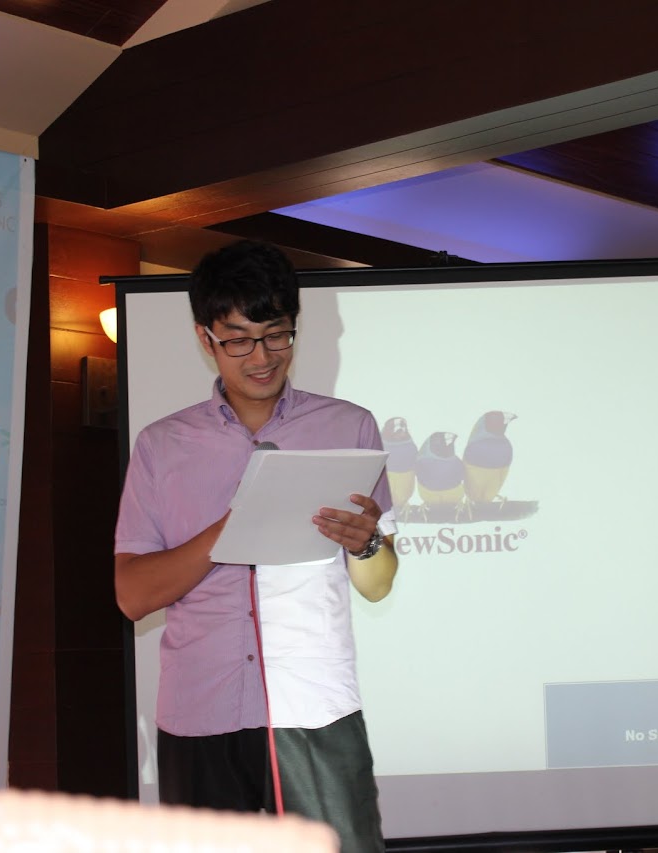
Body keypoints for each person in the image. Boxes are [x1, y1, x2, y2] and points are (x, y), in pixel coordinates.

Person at [113, 240, 398, 853]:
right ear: (205, 338)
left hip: (314, 707)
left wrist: (368, 543)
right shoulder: (162, 445)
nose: (263, 357)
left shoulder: (348, 426)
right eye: (239, 340)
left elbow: (378, 584)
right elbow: (133, 596)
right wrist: (238, 522)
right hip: (200, 710)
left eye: (277, 335)